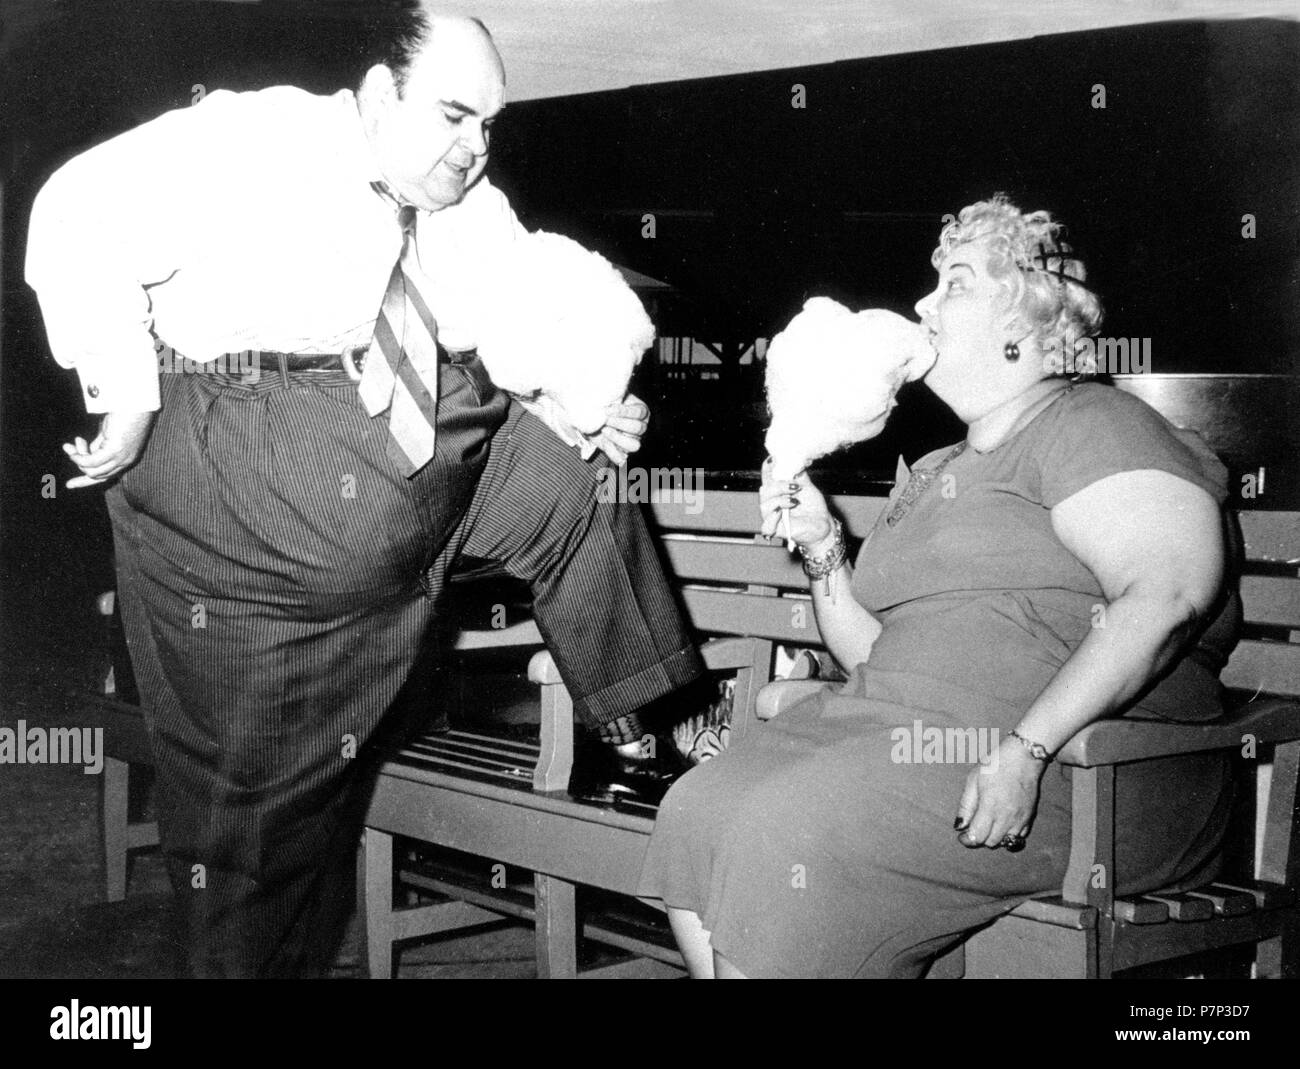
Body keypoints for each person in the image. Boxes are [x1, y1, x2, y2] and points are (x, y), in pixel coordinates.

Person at [26, 7, 702, 977]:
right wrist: (125, 388)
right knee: (256, 827)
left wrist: (579, 401)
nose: (475, 148)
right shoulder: (255, 138)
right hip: (258, 448)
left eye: (490, 126)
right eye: (455, 116)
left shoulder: (460, 197)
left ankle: (644, 733)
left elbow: (509, 296)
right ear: (380, 95)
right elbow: (76, 207)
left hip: (407, 440)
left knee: (572, 480)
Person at [639, 195, 1239, 978]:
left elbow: (1166, 596)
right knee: (699, 808)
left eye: (954, 282)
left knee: (789, 829)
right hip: (909, 738)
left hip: (1084, 773)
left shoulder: (1095, 423)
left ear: (1025, 323)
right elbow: (882, 655)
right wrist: (825, 551)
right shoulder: (934, 470)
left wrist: (1027, 747)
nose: (922, 302)